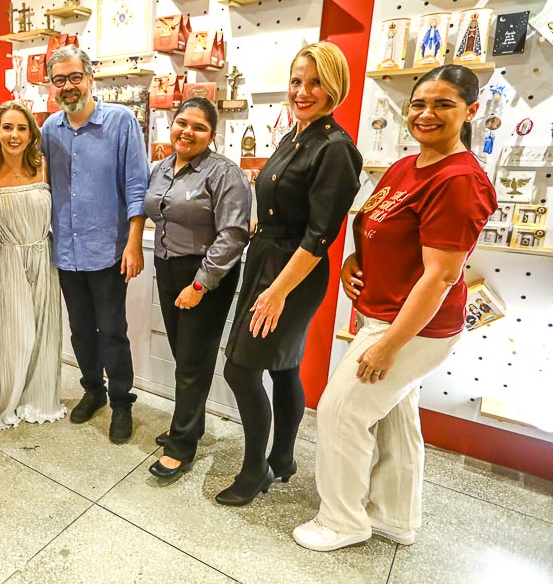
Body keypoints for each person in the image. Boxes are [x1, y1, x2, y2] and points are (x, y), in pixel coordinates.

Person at [293, 65, 496, 552]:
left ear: (471, 111)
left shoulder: (459, 180)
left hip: (411, 328)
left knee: (340, 412)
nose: (426, 114)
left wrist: (388, 346)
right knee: (397, 417)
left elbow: (441, 276)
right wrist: (355, 261)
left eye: (444, 104)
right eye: (419, 103)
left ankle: (341, 521)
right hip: (385, 313)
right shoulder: (409, 166)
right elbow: (380, 228)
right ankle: (394, 516)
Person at [0, 45, 149, 443]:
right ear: (51, 86)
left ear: (90, 78)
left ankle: (122, 402)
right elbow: (21, 166)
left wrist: (134, 243)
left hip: (107, 251)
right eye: (59, 80)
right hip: (64, 254)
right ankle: (93, 391)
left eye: (75, 77)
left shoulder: (121, 122)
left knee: (113, 331)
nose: (68, 86)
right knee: (80, 331)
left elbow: (137, 187)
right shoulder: (50, 128)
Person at [215, 42, 362, 506]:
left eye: (316, 83)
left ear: (335, 87)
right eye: (297, 81)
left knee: (240, 370)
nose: (302, 91)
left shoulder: (335, 148)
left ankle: (255, 469)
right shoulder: (295, 134)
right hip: (268, 258)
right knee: (283, 367)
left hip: (293, 273)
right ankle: (282, 458)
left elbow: (320, 235)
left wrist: (277, 291)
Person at [143, 97, 250, 479]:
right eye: (182, 123)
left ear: (212, 134)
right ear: (172, 124)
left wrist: (201, 284)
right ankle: (190, 424)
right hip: (167, 267)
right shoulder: (162, 167)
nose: (187, 132)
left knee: (192, 361)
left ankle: (182, 446)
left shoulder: (224, 173)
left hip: (204, 274)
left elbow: (233, 235)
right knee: (184, 355)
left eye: (199, 127)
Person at [0, 101, 66, 429]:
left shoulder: (44, 165)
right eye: (7, 127)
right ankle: (8, 402)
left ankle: (40, 400)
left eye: (21, 128)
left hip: (43, 254)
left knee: (44, 331)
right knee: (14, 334)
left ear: (31, 134)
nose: (14, 135)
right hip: (6, 258)